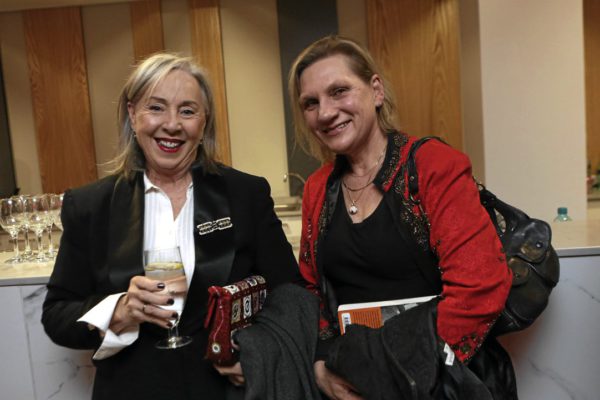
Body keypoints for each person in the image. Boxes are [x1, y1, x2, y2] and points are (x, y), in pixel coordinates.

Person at [42, 53, 302, 399]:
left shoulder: (245, 194)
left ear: (204, 121)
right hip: (131, 390)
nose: (172, 124)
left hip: (225, 391)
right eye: (156, 107)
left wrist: (256, 356)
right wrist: (118, 310)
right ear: (133, 115)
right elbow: (57, 314)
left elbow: (290, 295)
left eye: (188, 110)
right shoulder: (91, 206)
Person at [288, 36, 516, 399]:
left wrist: (390, 369)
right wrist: (321, 366)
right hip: (352, 383)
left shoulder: (433, 166)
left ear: (375, 91)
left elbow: (481, 285)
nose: (326, 112)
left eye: (339, 91)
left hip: (442, 382)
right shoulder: (317, 188)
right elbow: (311, 290)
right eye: (310, 103)